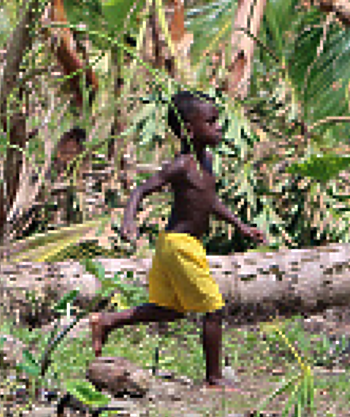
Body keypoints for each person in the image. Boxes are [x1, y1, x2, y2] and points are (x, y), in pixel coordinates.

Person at [88, 91, 265, 388]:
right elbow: (141, 190)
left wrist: (241, 225)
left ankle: (108, 321)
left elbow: (209, 201)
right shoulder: (182, 165)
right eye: (211, 122)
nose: (218, 127)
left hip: (178, 244)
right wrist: (128, 220)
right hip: (180, 245)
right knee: (213, 309)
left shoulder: (205, 161)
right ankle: (213, 378)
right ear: (189, 129)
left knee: (170, 309)